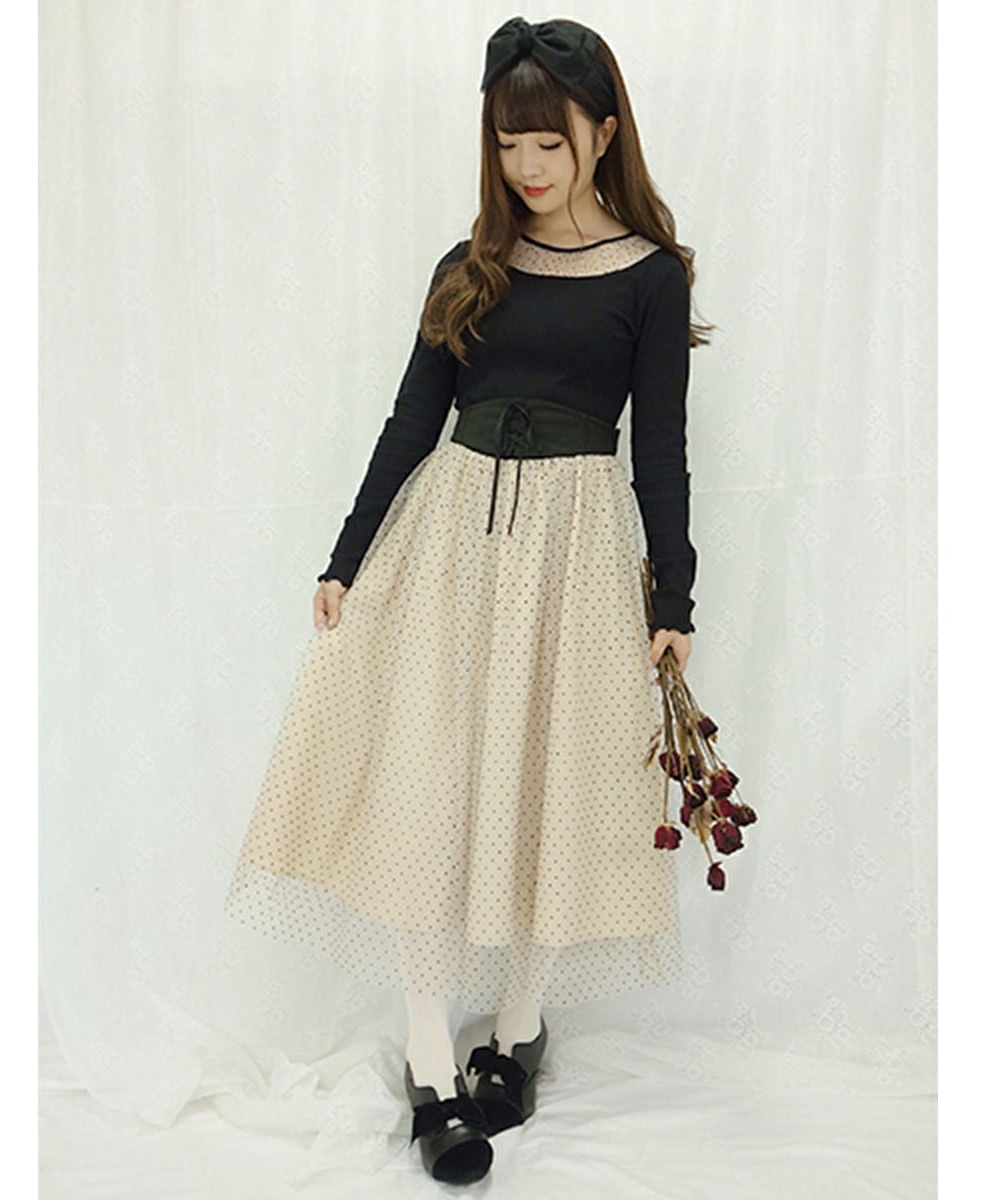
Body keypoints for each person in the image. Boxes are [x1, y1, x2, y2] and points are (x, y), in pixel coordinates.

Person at [223, 14, 712, 1184]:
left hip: (579, 554)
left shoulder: (651, 276)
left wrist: (675, 598)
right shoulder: (470, 265)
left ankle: (518, 1028)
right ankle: (428, 1058)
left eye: (549, 141)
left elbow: (661, 449)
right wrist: (345, 558)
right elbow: (410, 419)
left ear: (603, 134)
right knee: (426, 785)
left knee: (553, 779)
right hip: (452, 545)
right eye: (507, 143)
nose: (527, 166)